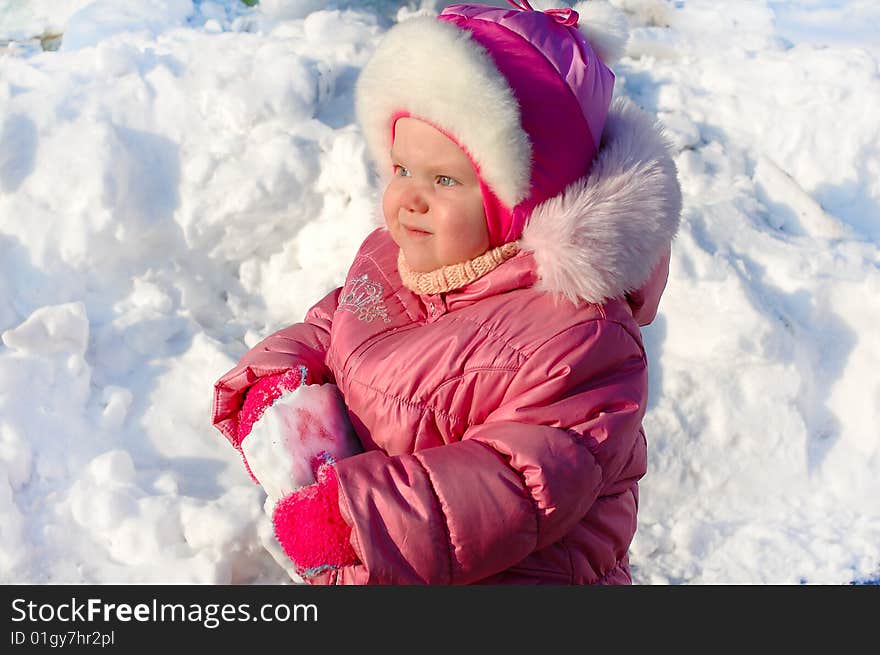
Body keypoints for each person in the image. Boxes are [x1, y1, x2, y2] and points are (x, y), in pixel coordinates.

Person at [211, 0, 681, 585]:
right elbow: (340, 322)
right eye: (402, 168)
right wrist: (278, 378)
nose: (409, 197)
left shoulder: (580, 338)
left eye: (444, 180)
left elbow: (514, 484)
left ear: (521, 200)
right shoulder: (398, 256)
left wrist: (354, 520)